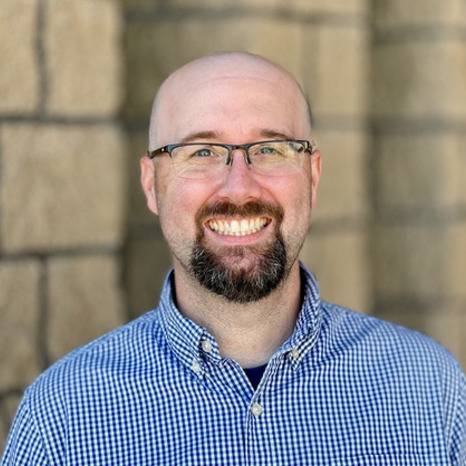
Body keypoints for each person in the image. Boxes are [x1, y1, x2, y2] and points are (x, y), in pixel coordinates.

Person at [2, 52, 465, 466]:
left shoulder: (428, 388)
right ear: (151, 184)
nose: (240, 188)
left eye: (270, 150)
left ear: (313, 176)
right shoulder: (63, 418)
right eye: (202, 151)